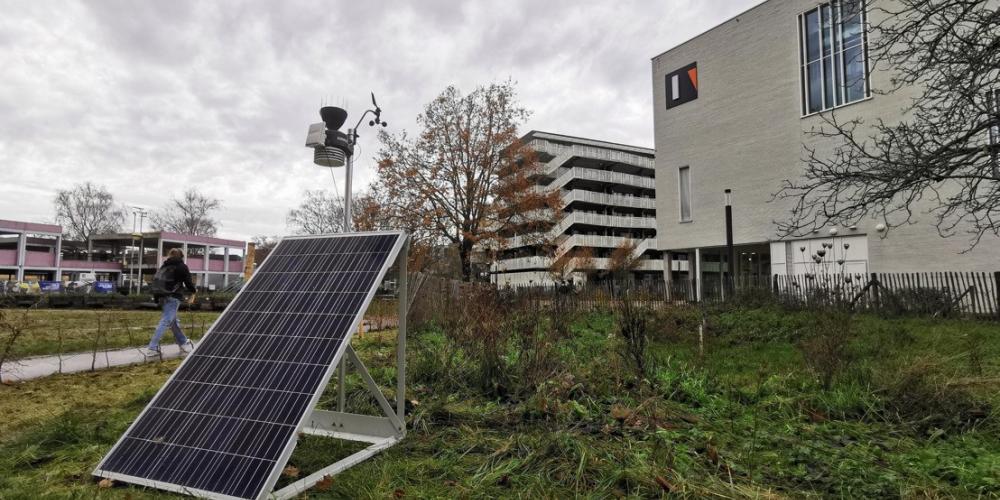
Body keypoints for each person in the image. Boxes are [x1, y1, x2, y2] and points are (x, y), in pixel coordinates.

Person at [143, 248, 197, 357]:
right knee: (166, 321)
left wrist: (157, 298)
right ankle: (152, 348)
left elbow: (156, 282)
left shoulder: (164, 266)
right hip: (173, 297)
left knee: (173, 322)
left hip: (162, 297)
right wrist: (193, 291)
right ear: (182, 256)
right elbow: (188, 282)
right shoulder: (182, 267)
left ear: (170, 256)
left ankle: (183, 342)